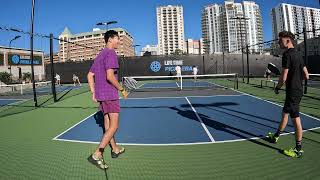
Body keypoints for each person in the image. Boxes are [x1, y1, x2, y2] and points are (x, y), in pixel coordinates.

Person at [87, 30, 128, 169]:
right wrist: (122, 89)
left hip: (102, 96)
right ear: (110, 39)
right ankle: (97, 154)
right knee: (114, 126)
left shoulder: (100, 55)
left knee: (107, 124)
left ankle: (115, 148)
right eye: (117, 38)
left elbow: (89, 75)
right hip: (110, 95)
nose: (119, 41)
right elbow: (110, 76)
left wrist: (93, 92)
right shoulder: (111, 53)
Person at [266, 31, 309, 158]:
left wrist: (278, 87)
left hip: (293, 92)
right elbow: (306, 75)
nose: (279, 42)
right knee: (285, 113)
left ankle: (298, 149)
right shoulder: (299, 55)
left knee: (296, 120)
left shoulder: (287, 55)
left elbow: (284, 76)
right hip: (297, 90)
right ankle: (276, 136)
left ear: (288, 40)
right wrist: (295, 77)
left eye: (280, 40)